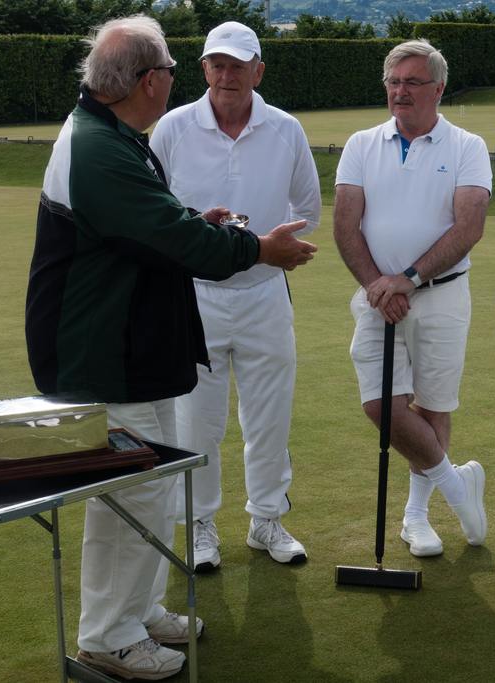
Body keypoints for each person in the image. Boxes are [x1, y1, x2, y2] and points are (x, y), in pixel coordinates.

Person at [25, 15, 316, 680]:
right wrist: (256, 246)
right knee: (127, 493)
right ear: (148, 82)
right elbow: (173, 242)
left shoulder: (115, 136)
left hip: (130, 343)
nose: (181, 81)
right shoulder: (101, 149)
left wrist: (196, 220)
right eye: (174, 71)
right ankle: (108, 635)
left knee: (149, 487)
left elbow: (160, 221)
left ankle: (137, 610)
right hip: (102, 348)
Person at [149, 21, 321, 571]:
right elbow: (156, 213)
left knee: (268, 417)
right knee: (196, 422)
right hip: (192, 295)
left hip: (265, 293)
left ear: (258, 71)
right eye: (218, 65)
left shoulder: (286, 129)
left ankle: (266, 519)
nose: (228, 75)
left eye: (239, 65)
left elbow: (308, 208)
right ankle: (200, 525)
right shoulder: (172, 128)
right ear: (203, 69)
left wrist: (264, 244)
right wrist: (202, 236)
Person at [333, 39, 491, 557]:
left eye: (413, 83)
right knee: (381, 404)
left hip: (441, 295)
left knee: (432, 405)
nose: (401, 92)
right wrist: (381, 286)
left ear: (438, 89)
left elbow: (468, 228)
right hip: (378, 296)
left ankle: (416, 517)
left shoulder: (466, 145)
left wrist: (410, 278)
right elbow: (345, 224)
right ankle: (456, 484)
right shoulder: (361, 143)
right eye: (394, 83)